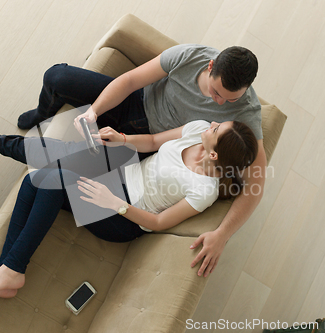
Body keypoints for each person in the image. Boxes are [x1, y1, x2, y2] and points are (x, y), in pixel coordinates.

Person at [17, 44, 267, 277]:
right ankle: (43, 114)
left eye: (230, 99)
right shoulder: (191, 56)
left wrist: (223, 234)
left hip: (147, 151)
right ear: (211, 67)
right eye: (216, 93)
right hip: (135, 106)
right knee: (56, 77)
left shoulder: (246, 115)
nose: (220, 103)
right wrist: (93, 112)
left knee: (56, 174)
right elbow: (129, 81)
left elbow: (256, 186)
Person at [0, 119, 258, 300]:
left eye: (217, 129)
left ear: (216, 155)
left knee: (53, 179)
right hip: (120, 175)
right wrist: (122, 139)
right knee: (34, 180)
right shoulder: (197, 128)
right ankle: (9, 270)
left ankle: (13, 270)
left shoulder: (204, 189)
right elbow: (151, 141)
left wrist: (117, 205)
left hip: (126, 218)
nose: (213, 123)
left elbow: (160, 222)